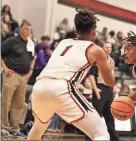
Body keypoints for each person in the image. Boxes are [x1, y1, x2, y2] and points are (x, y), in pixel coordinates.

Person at [27, 8, 115, 140]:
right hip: (62, 88)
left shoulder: (63, 43)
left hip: (39, 86)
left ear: (75, 30)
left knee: (38, 128)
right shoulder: (96, 50)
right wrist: (106, 64)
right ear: (94, 32)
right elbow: (110, 82)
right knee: (101, 133)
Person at [1, 19, 35, 138]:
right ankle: (3, 127)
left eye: (30, 29)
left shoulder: (31, 43)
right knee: (6, 101)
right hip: (11, 75)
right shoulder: (12, 41)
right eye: (26, 29)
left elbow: (33, 59)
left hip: (23, 77)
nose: (28, 31)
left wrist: (30, 71)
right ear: (21, 28)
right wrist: (4, 68)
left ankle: (14, 128)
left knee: (19, 104)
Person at [89, 42, 120, 141]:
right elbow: (91, 75)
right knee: (96, 117)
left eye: (110, 47)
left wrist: (114, 86)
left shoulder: (111, 60)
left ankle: (114, 139)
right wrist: (95, 89)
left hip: (109, 89)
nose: (108, 49)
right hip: (100, 88)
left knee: (110, 117)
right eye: (106, 47)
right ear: (102, 48)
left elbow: (112, 75)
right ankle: (90, 138)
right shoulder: (97, 59)